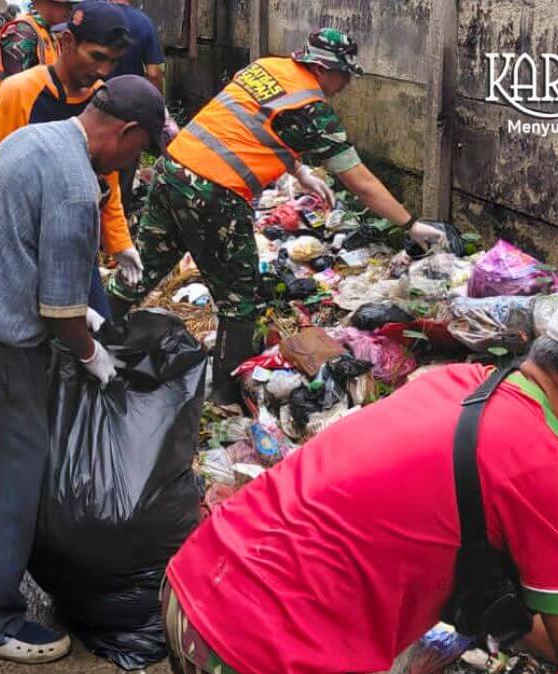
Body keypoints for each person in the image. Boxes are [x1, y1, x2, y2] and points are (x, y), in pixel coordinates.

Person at [163, 276, 558, 674]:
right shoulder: (546, 473)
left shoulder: (464, 386)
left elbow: (485, 598)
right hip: (260, 661)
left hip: (198, 588)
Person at [0, 75, 165, 663]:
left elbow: (31, 252)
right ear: (126, 132)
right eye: (139, 150)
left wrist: (92, 321)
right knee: (6, 475)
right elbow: (60, 310)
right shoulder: (77, 185)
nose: (133, 163)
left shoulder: (42, 137)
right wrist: (92, 355)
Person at [106, 28, 448, 404]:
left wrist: (299, 172)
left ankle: (83, 339)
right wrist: (410, 224)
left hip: (174, 169)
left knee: (142, 270)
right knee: (241, 301)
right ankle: (225, 397)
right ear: (319, 67)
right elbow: (361, 182)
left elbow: (252, 126)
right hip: (213, 194)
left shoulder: (266, 68)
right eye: (343, 73)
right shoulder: (311, 107)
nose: (347, 82)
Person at [0, 0, 137, 320]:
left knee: (98, 340)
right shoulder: (20, 93)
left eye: (112, 62)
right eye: (97, 57)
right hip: (20, 247)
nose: (102, 70)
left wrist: (120, 243)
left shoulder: (102, 98)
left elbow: (107, 182)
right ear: (68, 43)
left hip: (75, 246)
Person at [107, 0, 163, 203]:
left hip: (97, 102)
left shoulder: (95, 16)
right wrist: (156, 105)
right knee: (128, 159)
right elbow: (154, 73)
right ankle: (123, 209)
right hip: (131, 106)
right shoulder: (143, 22)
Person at [0, 0, 72, 106]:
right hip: (12, 117)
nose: (70, 10)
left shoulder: (46, 31)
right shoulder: (22, 32)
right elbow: (16, 91)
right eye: (66, 5)